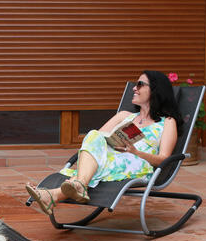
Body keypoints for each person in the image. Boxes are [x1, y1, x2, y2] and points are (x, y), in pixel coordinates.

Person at [26, 70, 181, 213]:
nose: (134, 88)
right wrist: (114, 142)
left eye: (140, 84)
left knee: (91, 167)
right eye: (135, 84)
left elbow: (164, 159)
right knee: (94, 135)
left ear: (155, 90)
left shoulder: (167, 122)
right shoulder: (124, 116)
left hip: (138, 164)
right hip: (111, 158)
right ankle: (76, 186)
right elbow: (96, 140)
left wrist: (136, 152)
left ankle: (63, 190)